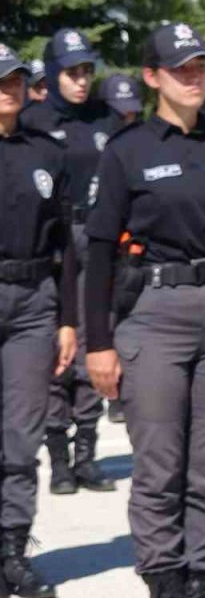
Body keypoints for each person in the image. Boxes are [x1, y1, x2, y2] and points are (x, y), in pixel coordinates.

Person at [83, 22, 205, 598]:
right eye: (181, 68)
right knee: (161, 465)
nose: (194, 77)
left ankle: (200, 590)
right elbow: (98, 253)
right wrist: (99, 343)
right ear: (152, 77)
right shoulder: (126, 151)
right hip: (155, 312)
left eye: (201, 66)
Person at [22, 28, 118, 495]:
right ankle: (58, 456)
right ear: (54, 72)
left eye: (86, 71)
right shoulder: (32, 120)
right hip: (56, 242)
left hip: (98, 240)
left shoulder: (106, 118)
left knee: (93, 344)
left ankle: (87, 454)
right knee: (56, 351)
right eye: (71, 72)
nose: (81, 80)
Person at [0, 43, 75, 598]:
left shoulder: (46, 152)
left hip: (32, 302)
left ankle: (12, 549)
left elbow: (67, 246)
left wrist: (68, 319)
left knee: (22, 437)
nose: (10, 89)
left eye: (16, 80)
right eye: (2, 80)